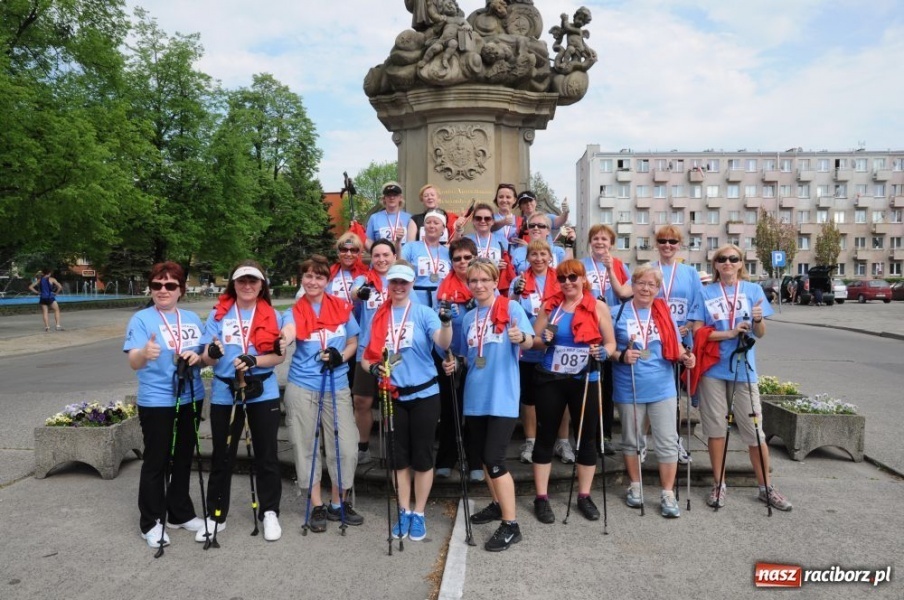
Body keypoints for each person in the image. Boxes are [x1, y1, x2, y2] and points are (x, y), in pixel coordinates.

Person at [693, 244, 792, 511]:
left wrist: (758, 319)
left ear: (740, 263)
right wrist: (727, 333)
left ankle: (765, 487)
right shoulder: (705, 292)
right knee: (716, 430)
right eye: (722, 259)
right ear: (715, 265)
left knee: (755, 432)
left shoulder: (753, 291)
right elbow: (698, 333)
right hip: (713, 369)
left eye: (733, 259)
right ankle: (719, 484)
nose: (727, 262)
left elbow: (760, 333)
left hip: (743, 369)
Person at [360, 261, 453, 542]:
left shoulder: (423, 313)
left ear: (412, 285)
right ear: (388, 285)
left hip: (424, 394)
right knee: (399, 459)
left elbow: (444, 343)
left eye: (404, 283)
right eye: (394, 283)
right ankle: (403, 510)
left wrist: (446, 322)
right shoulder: (379, 316)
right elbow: (367, 358)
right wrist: (374, 369)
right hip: (393, 395)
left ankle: (419, 513)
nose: (398, 287)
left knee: (422, 457)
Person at [444, 258, 533, 551]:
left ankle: (511, 525)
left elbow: (530, 341)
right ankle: (496, 504)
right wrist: (454, 364)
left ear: (496, 281)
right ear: (468, 285)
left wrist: (521, 337)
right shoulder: (469, 318)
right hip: (475, 397)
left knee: (495, 461)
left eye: (485, 280)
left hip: (502, 397)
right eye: (474, 281)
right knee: (483, 458)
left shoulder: (511, 308)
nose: (479, 285)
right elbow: (467, 356)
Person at [200, 261, 286, 542]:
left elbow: (279, 356)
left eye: (253, 281)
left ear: (262, 285)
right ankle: (216, 514)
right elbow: (206, 357)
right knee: (222, 455)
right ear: (233, 284)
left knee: (267, 453)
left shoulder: (274, 315)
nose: (247, 286)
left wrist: (255, 360)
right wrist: (211, 352)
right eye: (241, 281)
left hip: (262, 389)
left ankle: (270, 512)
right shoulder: (219, 314)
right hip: (227, 392)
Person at [123, 261, 207, 548]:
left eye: (170, 285)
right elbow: (133, 360)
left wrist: (202, 358)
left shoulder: (193, 319)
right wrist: (144, 353)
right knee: (156, 461)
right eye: (157, 285)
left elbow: (206, 355)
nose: (163, 290)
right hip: (157, 400)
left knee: (183, 457)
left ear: (181, 290)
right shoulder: (143, 319)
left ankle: (179, 513)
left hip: (191, 395)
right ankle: (151, 522)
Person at [529, 260, 616, 524]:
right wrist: (542, 340)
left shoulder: (598, 306)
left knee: (586, 438)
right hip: (551, 377)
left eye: (573, 277)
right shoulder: (550, 307)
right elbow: (533, 342)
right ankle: (541, 497)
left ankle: (584, 495)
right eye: (563, 278)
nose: (568, 282)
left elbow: (610, 343)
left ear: (583, 279)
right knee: (545, 436)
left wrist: (605, 352)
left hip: (585, 377)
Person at [281, 255, 363, 533]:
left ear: (327, 281)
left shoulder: (341, 307)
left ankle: (338, 502)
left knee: (347, 446)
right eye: (308, 276)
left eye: (319, 277)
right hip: (303, 386)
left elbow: (353, 341)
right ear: (301, 280)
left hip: (337, 385)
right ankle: (316, 503)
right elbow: (288, 332)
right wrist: (284, 338)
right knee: (306, 446)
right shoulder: (293, 311)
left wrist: (342, 356)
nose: (313, 281)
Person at [610, 264, 696, 518]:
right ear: (632, 285)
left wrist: (686, 357)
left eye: (652, 285)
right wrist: (621, 355)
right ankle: (635, 487)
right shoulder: (617, 312)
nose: (646, 288)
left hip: (662, 386)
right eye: (641, 283)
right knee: (632, 439)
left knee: (667, 440)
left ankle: (668, 493)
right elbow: (608, 348)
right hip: (630, 385)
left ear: (658, 289)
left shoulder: (663, 312)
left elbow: (676, 346)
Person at [508, 240, 573, 465]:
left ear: (550, 256)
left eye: (543, 254)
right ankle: (531, 441)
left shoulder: (561, 279)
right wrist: (515, 295)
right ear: (527, 258)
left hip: (556, 346)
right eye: (533, 254)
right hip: (528, 347)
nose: (538, 258)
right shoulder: (520, 280)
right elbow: (510, 309)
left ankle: (562, 441)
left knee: (561, 396)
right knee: (529, 396)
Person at [651, 225, 704, 464]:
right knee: (653, 390)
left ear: (679, 245)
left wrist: (690, 324)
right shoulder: (650, 270)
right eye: (663, 241)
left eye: (672, 241)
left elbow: (698, 302)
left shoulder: (690, 273)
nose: (667, 245)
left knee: (675, 394)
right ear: (657, 244)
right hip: (655, 339)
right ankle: (646, 441)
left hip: (682, 339)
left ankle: (674, 440)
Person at [581, 224, 633, 455]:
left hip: (613, 329)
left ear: (611, 243)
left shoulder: (620, 265)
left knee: (608, 385)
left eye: (604, 239)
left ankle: (606, 434)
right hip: (588, 327)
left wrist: (610, 269)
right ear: (590, 242)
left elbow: (626, 293)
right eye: (595, 238)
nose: (600, 242)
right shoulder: (582, 265)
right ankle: (586, 434)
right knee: (589, 383)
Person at [434, 238, 481, 481]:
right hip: (449, 357)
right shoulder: (444, 289)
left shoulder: (482, 283)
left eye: (467, 257)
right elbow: (438, 328)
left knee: (473, 411)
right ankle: (446, 458)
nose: (462, 262)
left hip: (476, 358)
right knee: (451, 409)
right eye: (457, 258)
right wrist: (446, 356)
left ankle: (475, 460)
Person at [350, 239, 398, 464]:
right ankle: (363, 445)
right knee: (361, 400)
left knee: (395, 399)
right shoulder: (364, 279)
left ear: (394, 256)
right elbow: (353, 292)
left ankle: (396, 445)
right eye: (377, 255)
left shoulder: (400, 280)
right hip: (367, 351)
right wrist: (360, 292)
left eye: (385, 255)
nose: (381, 259)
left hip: (394, 350)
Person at [402, 210, 452, 307]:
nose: (431, 226)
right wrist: (397, 243)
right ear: (424, 227)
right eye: (428, 222)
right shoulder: (411, 247)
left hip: (441, 300)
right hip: (416, 300)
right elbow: (399, 264)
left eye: (436, 223)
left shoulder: (448, 252)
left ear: (443, 228)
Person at [466, 202, 514, 295]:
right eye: (478, 218)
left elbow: (508, 265)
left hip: (494, 289)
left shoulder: (502, 241)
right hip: (473, 288)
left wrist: (504, 265)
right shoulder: (466, 240)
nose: (483, 221)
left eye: (487, 218)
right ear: (473, 221)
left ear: (492, 221)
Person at [365, 181, 411, 251]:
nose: (392, 197)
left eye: (395, 194)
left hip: (402, 259)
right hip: (381, 259)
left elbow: (411, 243)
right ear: (384, 198)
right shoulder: (374, 218)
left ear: (400, 198)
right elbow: (368, 241)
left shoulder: (409, 218)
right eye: (388, 195)